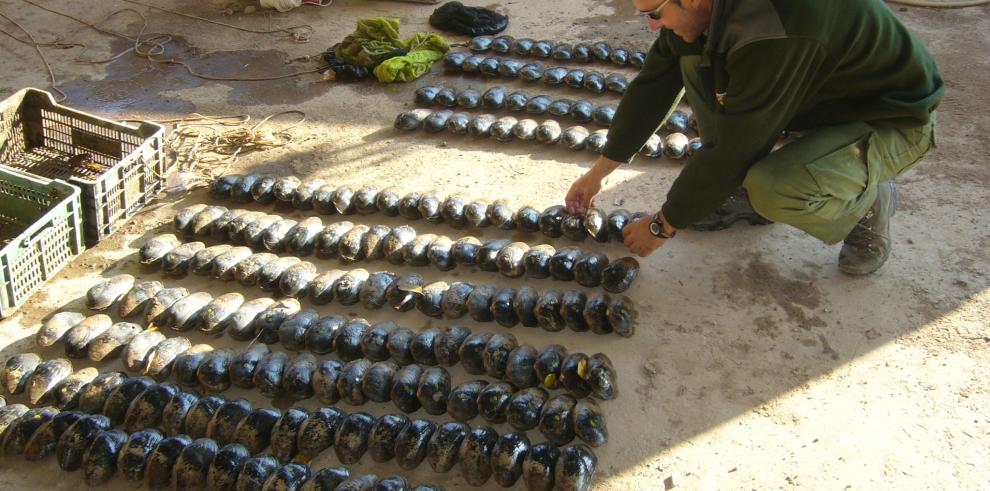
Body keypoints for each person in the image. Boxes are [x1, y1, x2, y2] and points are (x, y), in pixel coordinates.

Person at [564, 0, 943, 275]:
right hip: (816, 92)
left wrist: (663, 224)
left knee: (775, 187)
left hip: (889, 117)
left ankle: (869, 205)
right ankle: (732, 189)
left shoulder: (772, 30)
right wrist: (599, 171)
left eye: (655, 14)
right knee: (692, 61)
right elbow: (654, 84)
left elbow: (734, 149)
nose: (651, 26)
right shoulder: (710, 11)